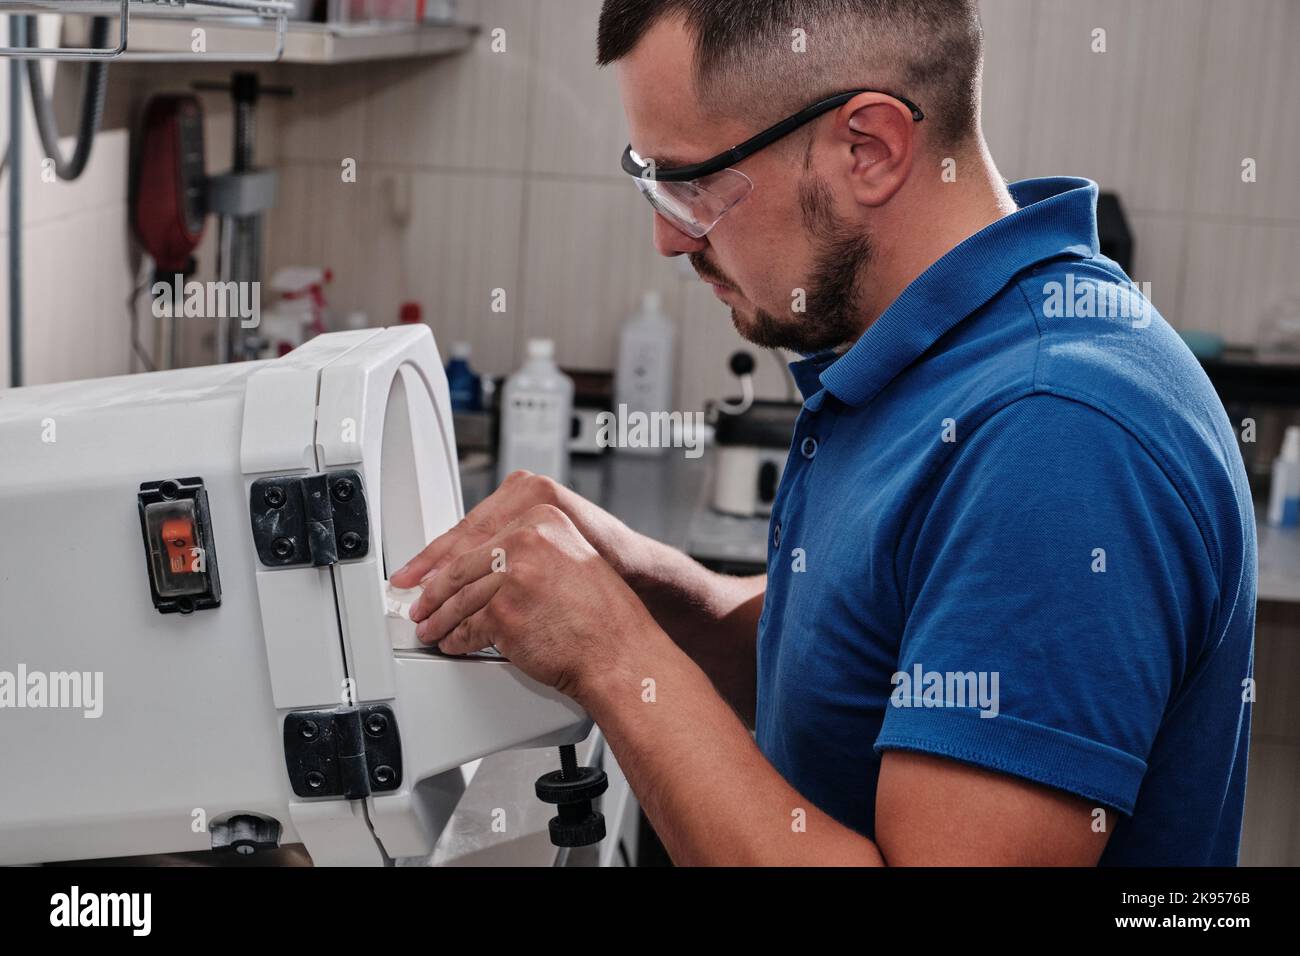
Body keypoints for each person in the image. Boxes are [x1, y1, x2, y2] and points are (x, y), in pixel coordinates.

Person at [390, 0, 1255, 866]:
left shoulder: (1053, 434)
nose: (665, 234)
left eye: (692, 183)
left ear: (868, 148)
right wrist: (637, 582)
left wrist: (612, 657)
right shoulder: (936, 348)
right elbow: (851, 666)